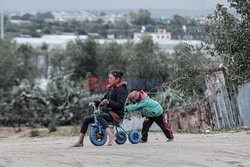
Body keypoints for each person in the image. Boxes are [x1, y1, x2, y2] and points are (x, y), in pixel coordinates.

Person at [72, 70, 128, 147]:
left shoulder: (122, 90)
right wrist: (95, 102)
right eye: (109, 78)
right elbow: (103, 99)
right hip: (108, 113)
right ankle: (80, 142)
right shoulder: (111, 89)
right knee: (86, 119)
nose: (109, 80)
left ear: (117, 79)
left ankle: (111, 136)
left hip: (116, 115)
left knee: (99, 116)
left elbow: (120, 105)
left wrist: (108, 103)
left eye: (111, 78)